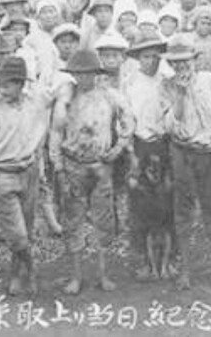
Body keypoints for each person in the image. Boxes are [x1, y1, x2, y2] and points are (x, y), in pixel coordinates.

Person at [159, 34, 211, 290]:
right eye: (176, 63)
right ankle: (186, 270)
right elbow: (170, 125)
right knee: (183, 212)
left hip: (210, 153)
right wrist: (180, 94)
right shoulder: (167, 86)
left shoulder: (209, 80)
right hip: (182, 152)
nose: (182, 67)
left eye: (186, 61)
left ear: (194, 60)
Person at [57, 49, 134, 295]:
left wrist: (119, 147)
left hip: (101, 165)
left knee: (103, 220)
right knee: (73, 220)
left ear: (96, 74)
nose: (83, 78)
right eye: (78, 74)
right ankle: (76, 276)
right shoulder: (66, 97)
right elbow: (55, 132)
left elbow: (129, 121)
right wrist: (57, 165)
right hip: (73, 164)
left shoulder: (110, 96)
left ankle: (103, 274)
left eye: (88, 73)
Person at [0, 57, 55, 295]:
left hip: (28, 170)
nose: (2, 89)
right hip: (4, 173)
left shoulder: (36, 102)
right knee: (17, 233)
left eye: (9, 84)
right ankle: (31, 270)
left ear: (21, 84)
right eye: (0, 83)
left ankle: (15, 272)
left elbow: (60, 88)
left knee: (26, 228)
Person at [121, 34, 173, 280]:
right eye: (145, 56)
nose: (151, 61)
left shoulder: (167, 80)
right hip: (140, 144)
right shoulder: (130, 82)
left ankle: (170, 259)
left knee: (168, 201)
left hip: (164, 144)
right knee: (139, 204)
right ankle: (142, 259)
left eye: (155, 56)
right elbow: (125, 116)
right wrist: (130, 151)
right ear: (137, 58)